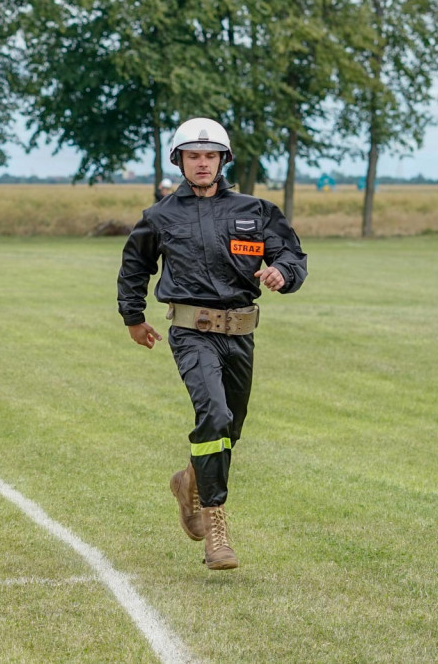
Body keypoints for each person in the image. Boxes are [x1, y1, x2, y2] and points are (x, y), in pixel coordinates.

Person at [117, 117, 307, 570]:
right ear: (179, 161)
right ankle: (215, 522)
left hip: (241, 334)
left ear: (223, 160)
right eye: (193, 156)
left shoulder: (256, 210)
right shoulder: (160, 217)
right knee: (214, 415)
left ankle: (190, 483)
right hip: (191, 333)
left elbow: (290, 253)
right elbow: (134, 267)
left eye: (210, 156)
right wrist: (133, 318)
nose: (202, 164)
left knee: (229, 431)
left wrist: (282, 272)